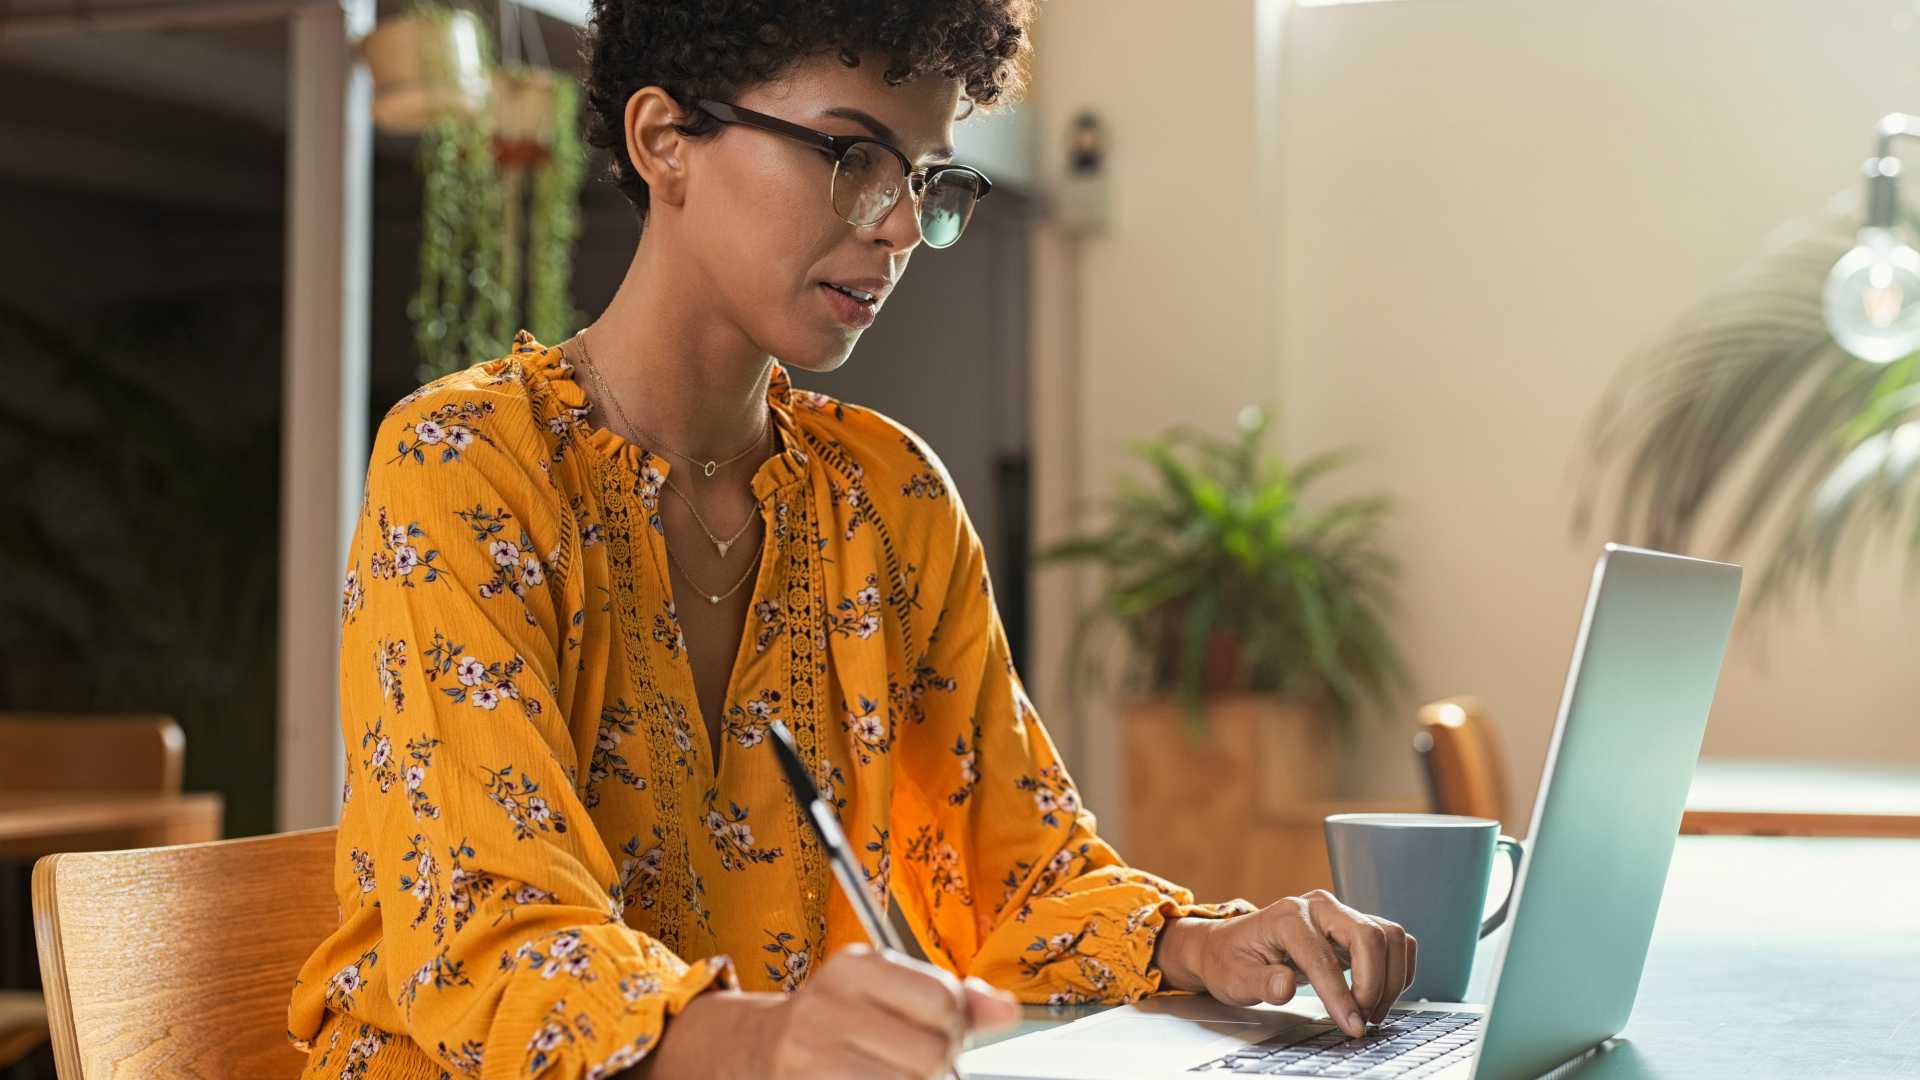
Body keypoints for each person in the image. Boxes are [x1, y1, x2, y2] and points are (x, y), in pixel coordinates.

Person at [287, 3, 1416, 1077]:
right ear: (664, 140)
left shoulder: (890, 497)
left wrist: (1201, 943)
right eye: (855, 156)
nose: (899, 225)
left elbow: (1020, 872)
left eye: (922, 178)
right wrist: (767, 1046)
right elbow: (491, 920)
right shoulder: (469, 464)